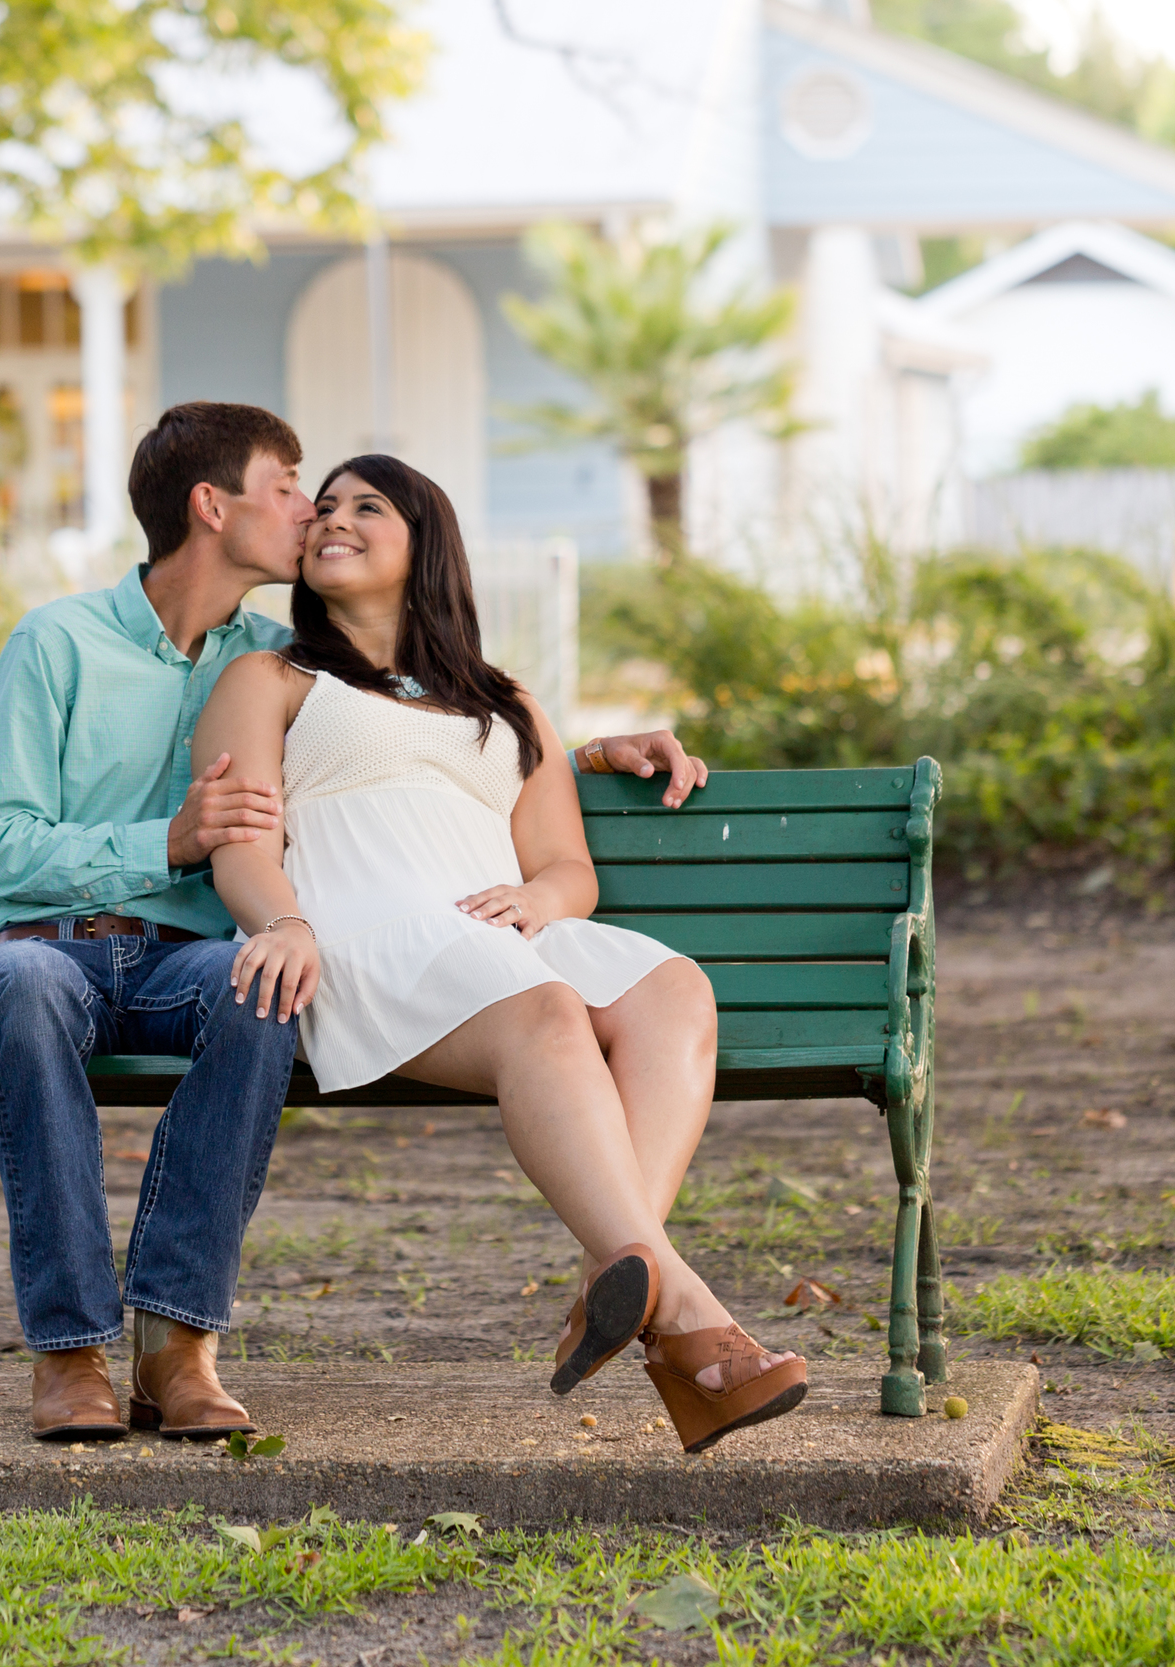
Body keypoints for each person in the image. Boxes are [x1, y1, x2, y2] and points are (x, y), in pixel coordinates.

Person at [0, 402, 712, 1443]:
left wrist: (585, 751)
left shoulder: (275, 653)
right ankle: (69, 1349)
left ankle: (177, 1344)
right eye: (289, 487)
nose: (310, 510)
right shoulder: (60, 642)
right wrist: (164, 841)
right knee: (30, 992)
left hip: (202, 955)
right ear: (212, 506)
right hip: (49, 947)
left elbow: (409, 723)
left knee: (263, 989)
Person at [190, 452, 806, 1454]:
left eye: (366, 505)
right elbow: (240, 844)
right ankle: (692, 1324)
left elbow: (567, 865)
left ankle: (623, 1277)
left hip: (496, 934)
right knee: (550, 1013)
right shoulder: (272, 678)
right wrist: (285, 921)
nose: (331, 519)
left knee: (670, 986)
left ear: (425, 541)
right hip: (365, 939)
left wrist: (536, 896)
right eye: (323, 507)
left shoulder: (504, 698)